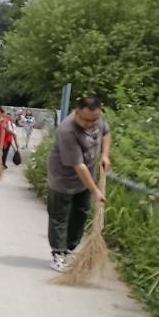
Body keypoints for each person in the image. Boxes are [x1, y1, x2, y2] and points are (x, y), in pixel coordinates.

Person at [46, 95, 112, 273]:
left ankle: (69, 248)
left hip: (85, 179)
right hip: (63, 179)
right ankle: (58, 254)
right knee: (60, 216)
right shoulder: (66, 131)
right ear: (77, 112)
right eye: (85, 120)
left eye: (94, 119)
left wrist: (105, 154)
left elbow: (106, 133)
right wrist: (96, 190)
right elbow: (78, 166)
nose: (90, 124)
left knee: (80, 214)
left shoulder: (97, 119)